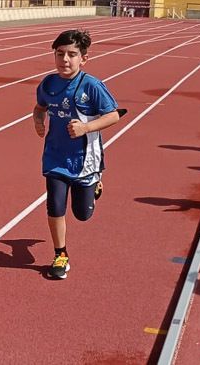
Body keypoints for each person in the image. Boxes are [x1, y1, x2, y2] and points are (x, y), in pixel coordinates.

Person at [33, 29, 120, 278]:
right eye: (60, 54)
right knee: (55, 205)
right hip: (55, 157)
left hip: (85, 160)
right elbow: (39, 108)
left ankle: (94, 185)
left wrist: (86, 128)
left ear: (83, 59)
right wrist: (38, 120)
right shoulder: (48, 84)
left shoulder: (91, 86)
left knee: (82, 214)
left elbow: (113, 115)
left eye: (72, 54)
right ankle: (60, 254)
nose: (65, 60)